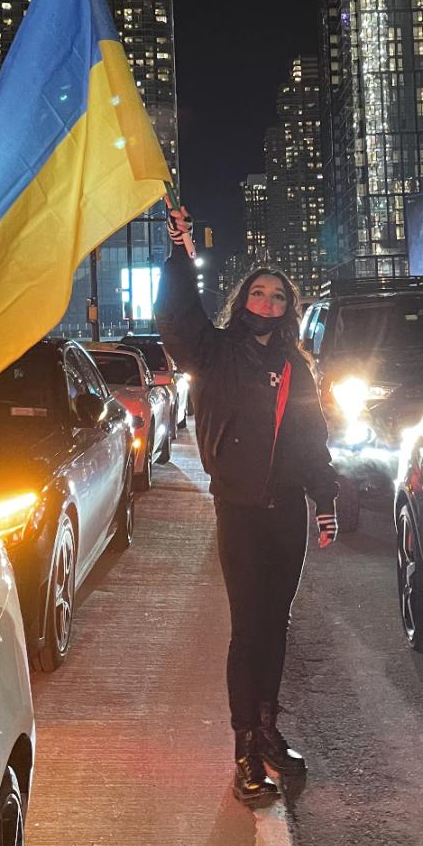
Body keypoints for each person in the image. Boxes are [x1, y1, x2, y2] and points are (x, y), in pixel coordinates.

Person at [155, 206, 338, 806]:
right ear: (244, 301)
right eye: (257, 293)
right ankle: (244, 752)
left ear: (288, 309)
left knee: (276, 628)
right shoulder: (215, 353)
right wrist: (181, 251)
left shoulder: (295, 368)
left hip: (287, 513)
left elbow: (313, 440)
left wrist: (327, 498)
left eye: (278, 296)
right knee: (247, 629)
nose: (267, 302)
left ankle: (267, 731)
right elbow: (178, 319)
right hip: (237, 512)